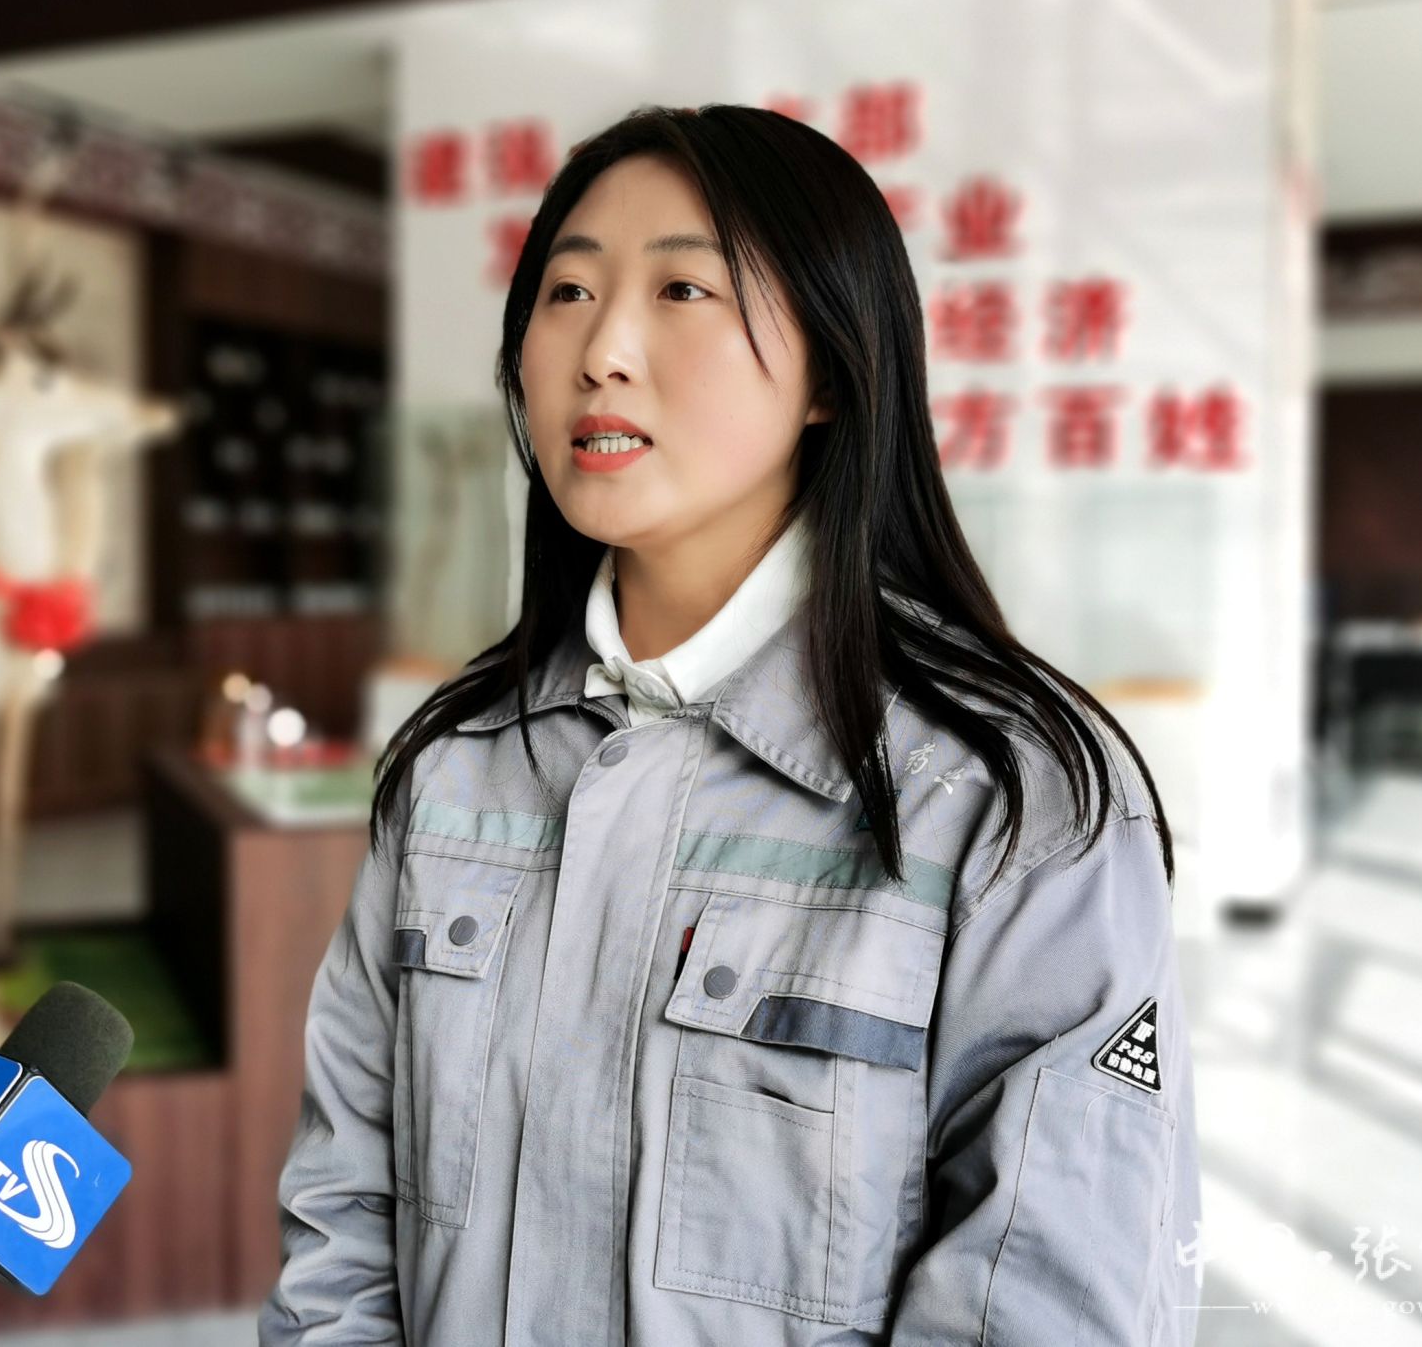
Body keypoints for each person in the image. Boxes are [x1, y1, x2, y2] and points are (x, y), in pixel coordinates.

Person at [258, 103, 1202, 1345]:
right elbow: (341, 1222)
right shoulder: (454, 766)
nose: (601, 349)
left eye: (682, 290)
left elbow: (1043, 1301)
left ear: (831, 370)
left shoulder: (1009, 799)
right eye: (565, 292)